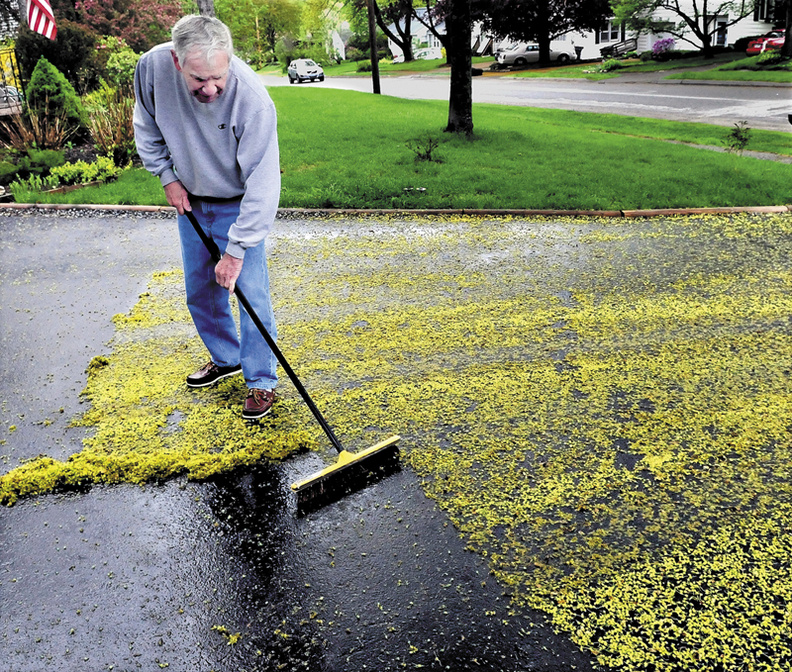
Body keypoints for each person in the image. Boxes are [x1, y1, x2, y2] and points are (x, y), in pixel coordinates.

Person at [133, 14, 280, 420]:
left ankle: (261, 381)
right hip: (192, 198)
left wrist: (235, 251)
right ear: (178, 63)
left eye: (219, 76)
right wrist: (167, 177)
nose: (211, 88)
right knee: (201, 291)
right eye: (199, 79)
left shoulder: (251, 98)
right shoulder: (152, 68)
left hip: (239, 200)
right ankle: (226, 358)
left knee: (250, 295)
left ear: (229, 60)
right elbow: (145, 124)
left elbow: (264, 184)